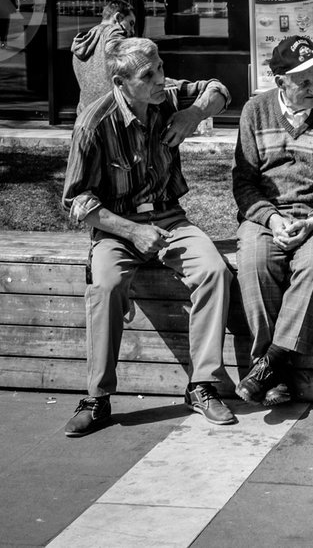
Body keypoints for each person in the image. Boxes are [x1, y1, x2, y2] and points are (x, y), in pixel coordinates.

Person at [61, 37, 235, 437]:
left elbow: (220, 90)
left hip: (171, 219)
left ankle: (203, 386)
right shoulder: (93, 123)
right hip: (117, 228)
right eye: (148, 74)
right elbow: (77, 202)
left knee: (214, 272)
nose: (160, 78)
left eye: (160, 67)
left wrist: (193, 113)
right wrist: (133, 232)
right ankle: (97, 398)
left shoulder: (167, 97)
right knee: (105, 286)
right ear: (121, 83)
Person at [232, 36, 313, 405]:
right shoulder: (254, 111)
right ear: (279, 81)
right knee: (256, 263)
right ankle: (278, 373)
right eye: (303, 81)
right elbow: (243, 183)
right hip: (267, 215)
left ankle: (269, 362)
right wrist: (270, 220)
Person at [71, 0, 137, 114]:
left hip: (85, 114)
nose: (132, 30)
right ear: (118, 18)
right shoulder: (114, 32)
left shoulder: (83, 42)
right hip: (111, 113)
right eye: (130, 23)